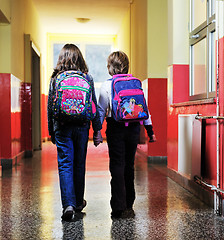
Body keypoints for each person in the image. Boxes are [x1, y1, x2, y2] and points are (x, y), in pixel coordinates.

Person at [97, 51, 156, 218]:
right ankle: (129, 204)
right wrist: (150, 131)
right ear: (126, 66)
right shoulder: (135, 83)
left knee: (117, 165)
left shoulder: (107, 85)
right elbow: (144, 109)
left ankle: (118, 206)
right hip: (134, 129)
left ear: (110, 67)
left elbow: (101, 110)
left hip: (115, 128)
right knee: (129, 165)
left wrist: (97, 132)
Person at [47, 44, 103, 221]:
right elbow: (93, 105)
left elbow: (50, 107)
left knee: (65, 164)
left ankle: (68, 205)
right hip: (82, 125)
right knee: (79, 163)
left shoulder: (56, 78)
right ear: (80, 59)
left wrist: (52, 132)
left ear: (61, 59)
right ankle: (78, 202)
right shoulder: (87, 77)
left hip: (62, 126)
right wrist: (97, 130)